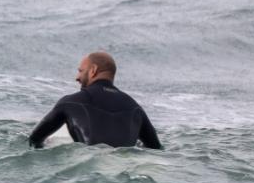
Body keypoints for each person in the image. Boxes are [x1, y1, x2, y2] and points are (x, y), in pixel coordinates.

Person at [28, 52, 162, 149]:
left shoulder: (70, 102)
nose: (77, 77)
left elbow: (34, 140)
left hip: (91, 168)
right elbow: (156, 149)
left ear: (93, 71)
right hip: (125, 168)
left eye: (80, 71)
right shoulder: (135, 108)